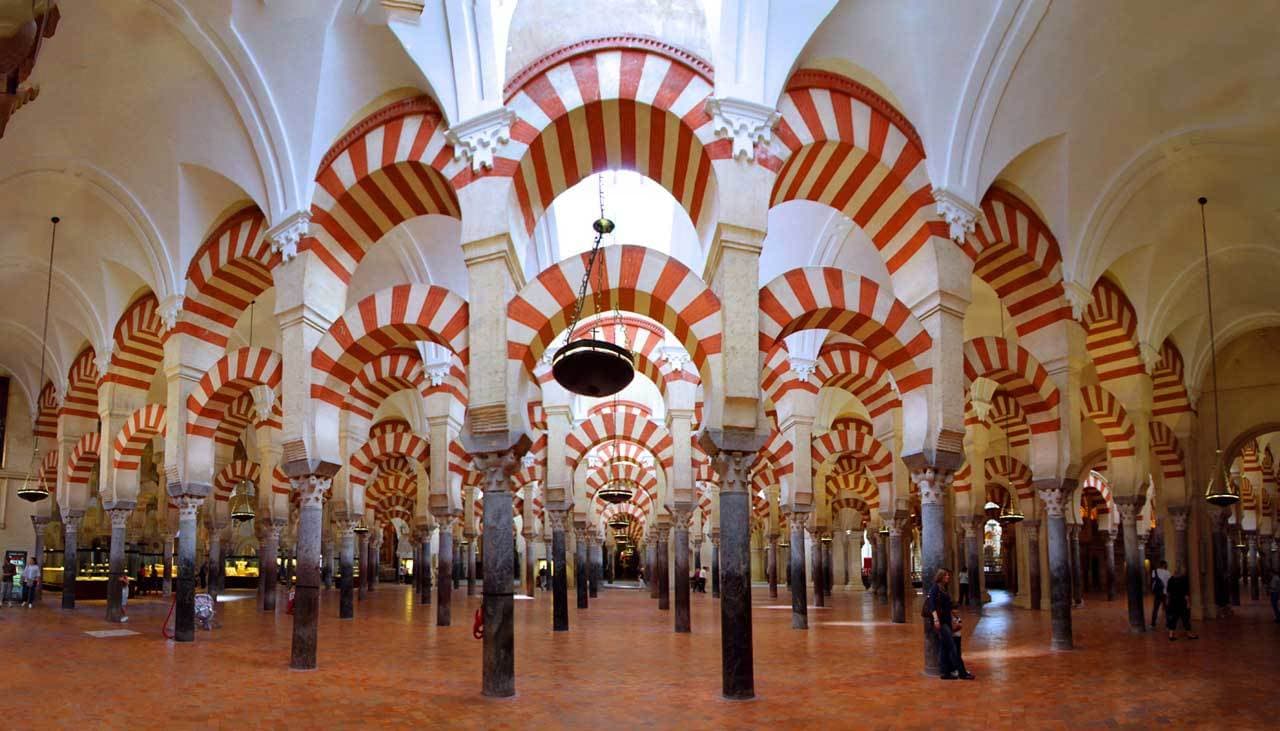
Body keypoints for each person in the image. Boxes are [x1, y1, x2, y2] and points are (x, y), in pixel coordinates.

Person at [924, 567, 974, 680]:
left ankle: (945, 673)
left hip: (946, 621)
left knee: (944, 648)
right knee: (952, 647)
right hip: (941, 623)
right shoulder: (935, 588)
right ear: (941, 576)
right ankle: (962, 673)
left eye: (948, 575)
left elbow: (948, 606)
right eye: (946, 575)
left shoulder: (943, 588)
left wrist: (955, 618)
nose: (948, 577)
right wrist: (936, 620)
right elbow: (932, 605)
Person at [1164, 565, 1196, 640]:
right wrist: (1188, 603)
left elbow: (1168, 592)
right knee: (1185, 618)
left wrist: (1167, 602)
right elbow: (1185, 593)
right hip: (1182, 602)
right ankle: (1189, 634)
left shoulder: (1170, 580)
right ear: (1181, 572)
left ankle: (1171, 635)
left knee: (1173, 618)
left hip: (1173, 602)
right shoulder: (1183, 580)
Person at [1150, 560, 1170, 628]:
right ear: (1164, 565)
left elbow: (1153, 581)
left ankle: (1153, 624)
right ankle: (1168, 624)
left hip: (1157, 593)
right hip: (1164, 593)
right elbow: (1169, 583)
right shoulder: (1167, 572)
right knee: (1167, 609)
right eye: (1166, 564)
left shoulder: (1154, 571)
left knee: (1155, 608)